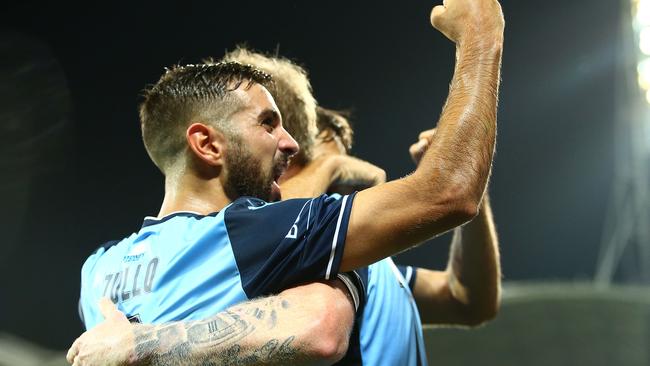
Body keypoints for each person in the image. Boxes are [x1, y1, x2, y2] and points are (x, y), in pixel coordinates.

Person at [69, 0, 504, 364]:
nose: (289, 144)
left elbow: (468, 299)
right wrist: (481, 38)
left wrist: (142, 343)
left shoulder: (97, 271)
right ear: (209, 143)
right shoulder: (255, 235)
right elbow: (321, 328)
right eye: (268, 125)